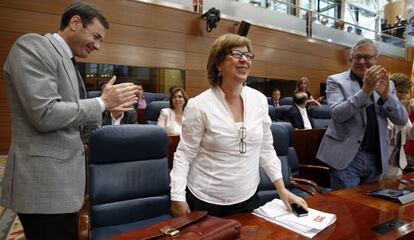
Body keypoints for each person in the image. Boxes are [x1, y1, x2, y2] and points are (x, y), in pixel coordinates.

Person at [1, 3, 138, 239]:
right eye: (96, 37)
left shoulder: (69, 62)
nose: (97, 45)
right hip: (43, 188)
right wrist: (101, 103)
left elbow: (76, 121)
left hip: (66, 188)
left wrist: (111, 111)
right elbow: (44, 113)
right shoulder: (34, 46)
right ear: (75, 23)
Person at [170, 33, 307, 218]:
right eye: (236, 54)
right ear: (218, 63)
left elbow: (265, 148)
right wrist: (177, 196)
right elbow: (184, 154)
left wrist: (282, 189)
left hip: (248, 196)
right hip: (207, 199)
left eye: (249, 56)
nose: (244, 60)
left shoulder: (258, 100)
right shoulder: (199, 105)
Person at [316, 38, 408, 190]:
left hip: (376, 156)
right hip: (347, 157)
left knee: (372, 205)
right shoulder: (336, 80)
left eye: (368, 57)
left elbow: (401, 119)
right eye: (358, 57)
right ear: (351, 58)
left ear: (376, 59)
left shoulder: (387, 84)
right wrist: (366, 91)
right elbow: (338, 114)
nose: (362, 61)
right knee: (346, 207)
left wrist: (386, 96)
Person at [384, 73, 414, 178]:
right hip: (378, 162)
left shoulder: (403, 110)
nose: (402, 96)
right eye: (399, 91)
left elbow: (411, 134)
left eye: (405, 92)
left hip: (395, 165)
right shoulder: (381, 105)